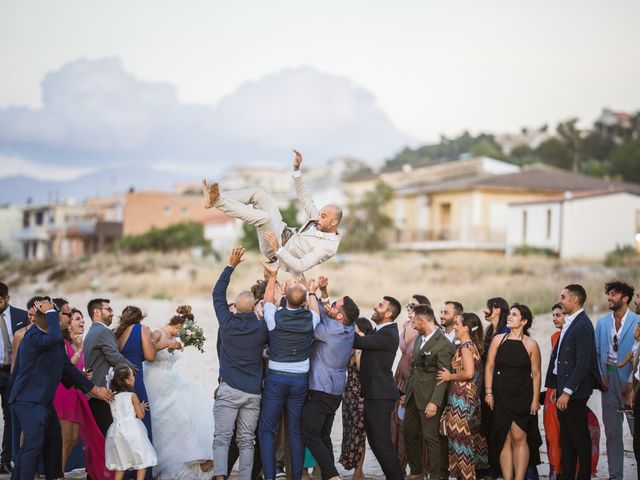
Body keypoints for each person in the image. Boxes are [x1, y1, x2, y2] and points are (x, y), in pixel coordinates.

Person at [9, 297, 112, 480]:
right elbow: (54, 337)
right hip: (28, 401)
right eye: (66, 315)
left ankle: (54, 477)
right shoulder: (34, 336)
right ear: (54, 319)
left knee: (54, 443)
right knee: (33, 446)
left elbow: (67, 369)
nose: (70, 317)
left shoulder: (52, 341)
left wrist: (94, 389)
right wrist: (49, 313)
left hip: (44, 402)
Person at [202, 150, 342, 276]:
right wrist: (296, 169)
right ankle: (214, 199)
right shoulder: (318, 219)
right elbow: (305, 197)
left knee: (264, 218)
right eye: (320, 214)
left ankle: (217, 201)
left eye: (323, 216)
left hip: (276, 249)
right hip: (282, 230)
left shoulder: (328, 247)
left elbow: (301, 266)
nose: (318, 217)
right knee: (259, 194)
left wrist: (278, 249)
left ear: (333, 222)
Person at [258, 266, 320, 480]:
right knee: (295, 431)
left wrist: (273, 277)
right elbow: (314, 307)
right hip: (299, 381)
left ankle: (270, 476)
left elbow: (267, 302)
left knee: (267, 430)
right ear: (303, 301)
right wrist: (310, 289)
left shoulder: (275, 316)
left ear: (285, 297)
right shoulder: (311, 319)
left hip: (276, 378)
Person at [212, 247, 269, 480]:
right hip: (253, 393)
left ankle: (220, 476)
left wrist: (231, 265)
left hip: (229, 390)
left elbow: (217, 294)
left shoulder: (226, 322)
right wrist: (271, 280)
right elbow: (272, 307)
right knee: (247, 440)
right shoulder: (262, 327)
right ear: (254, 307)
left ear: (235, 306)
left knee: (222, 438)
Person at [144, 305, 214, 479]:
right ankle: (164, 459)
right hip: (155, 380)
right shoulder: (158, 333)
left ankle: (194, 454)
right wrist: (167, 344)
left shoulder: (174, 337)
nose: (180, 333)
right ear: (176, 324)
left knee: (190, 402)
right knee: (167, 419)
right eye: (181, 330)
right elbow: (148, 351)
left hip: (169, 379)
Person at [302, 276, 359, 480]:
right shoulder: (349, 327)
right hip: (335, 391)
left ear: (340, 316)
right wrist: (323, 293)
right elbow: (326, 311)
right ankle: (329, 475)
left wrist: (310, 292)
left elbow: (315, 318)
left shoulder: (329, 330)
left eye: (335, 305)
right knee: (323, 435)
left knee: (308, 432)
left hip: (321, 389)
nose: (331, 305)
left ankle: (333, 476)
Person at [545, 285, 603, 480]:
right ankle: (567, 475)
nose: (560, 299)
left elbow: (583, 363)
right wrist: (555, 385)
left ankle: (583, 477)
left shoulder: (583, 324)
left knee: (580, 439)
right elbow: (560, 359)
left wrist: (567, 391)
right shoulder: (571, 322)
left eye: (563, 296)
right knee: (567, 439)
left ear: (574, 299)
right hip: (564, 389)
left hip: (575, 393)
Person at [53, 307, 112, 479]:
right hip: (63, 393)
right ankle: (58, 475)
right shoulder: (63, 344)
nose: (82, 322)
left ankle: (60, 471)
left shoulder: (78, 342)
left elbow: (76, 371)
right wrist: (79, 351)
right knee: (64, 440)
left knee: (72, 441)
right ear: (68, 324)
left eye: (82, 319)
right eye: (77, 319)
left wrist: (84, 375)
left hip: (76, 394)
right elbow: (64, 368)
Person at [485, 304, 542, 480]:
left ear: (524, 321)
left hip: (522, 396)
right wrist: (488, 392)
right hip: (500, 394)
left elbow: (537, 374)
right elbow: (489, 366)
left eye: (514, 315)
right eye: (510, 314)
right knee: (504, 438)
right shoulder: (498, 340)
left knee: (519, 437)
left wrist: (535, 400)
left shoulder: (531, 344)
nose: (509, 317)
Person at [353, 296, 404, 480]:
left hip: (380, 395)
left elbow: (358, 342)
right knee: (376, 443)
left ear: (389, 313)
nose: (375, 306)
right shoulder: (380, 331)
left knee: (382, 443)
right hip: (374, 394)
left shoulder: (388, 334)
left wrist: (343, 321)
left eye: (380, 305)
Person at [404, 304, 455, 480]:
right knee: (409, 433)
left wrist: (435, 402)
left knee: (431, 439)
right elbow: (414, 367)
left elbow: (443, 377)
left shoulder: (443, 345)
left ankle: (437, 476)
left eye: (415, 323)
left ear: (422, 321)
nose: (413, 325)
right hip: (412, 396)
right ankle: (417, 472)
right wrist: (406, 391)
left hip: (430, 398)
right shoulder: (420, 337)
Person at [594, 280, 638, 480]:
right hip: (608, 380)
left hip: (632, 381)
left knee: (636, 431)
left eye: (613, 294)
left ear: (625, 298)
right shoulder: (602, 323)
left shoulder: (638, 321)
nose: (609, 298)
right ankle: (615, 475)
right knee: (612, 432)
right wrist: (600, 373)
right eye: (608, 294)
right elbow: (596, 351)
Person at [436, 312, 488, 480]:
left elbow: (469, 373)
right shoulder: (471, 345)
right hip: (468, 399)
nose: (455, 326)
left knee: (461, 443)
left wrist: (449, 376)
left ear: (466, 327)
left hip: (462, 401)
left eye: (458, 323)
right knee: (463, 441)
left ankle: (467, 477)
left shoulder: (466, 347)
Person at [84, 298, 135, 435]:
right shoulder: (103, 332)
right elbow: (114, 356)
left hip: (94, 391)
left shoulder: (91, 332)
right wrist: (132, 369)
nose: (112, 313)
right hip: (104, 392)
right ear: (96, 312)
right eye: (108, 310)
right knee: (112, 436)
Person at [391, 295, 428, 469]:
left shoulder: (425, 331)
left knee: (410, 423)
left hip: (414, 376)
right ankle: (398, 465)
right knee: (396, 420)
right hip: (400, 372)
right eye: (408, 304)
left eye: (413, 305)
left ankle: (416, 467)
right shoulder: (405, 325)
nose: (409, 308)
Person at [105, 365, 158, 479]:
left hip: (116, 432)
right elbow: (140, 415)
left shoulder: (112, 398)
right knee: (142, 461)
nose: (134, 377)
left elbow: (117, 414)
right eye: (132, 376)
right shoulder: (132, 396)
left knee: (121, 464)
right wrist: (141, 407)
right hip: (132, 432)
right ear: (127, 381)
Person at [115, 306, 155, 445]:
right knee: (142, 416)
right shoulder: (140, 328)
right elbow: (150, 356)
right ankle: (143, 461)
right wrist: (152, 341)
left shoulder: (117, 333)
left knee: (125, 418)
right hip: (134, 378)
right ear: (139, 318)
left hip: (119, 381)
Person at [339, 317, 373, 480]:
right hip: (348, 396)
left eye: (356, 329)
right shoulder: (349, 347)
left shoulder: (364, 350)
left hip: (361, 396)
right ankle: (357, 470)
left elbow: (362, 371)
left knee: (360, 434)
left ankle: (358, 472)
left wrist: (359, 349)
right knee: (351, 432)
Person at [0, 281, 28, 472]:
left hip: (12, 372)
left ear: (7, 298)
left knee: (11, 415)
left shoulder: (22, 316)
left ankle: (5, 459)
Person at [542, 303, 564, 480]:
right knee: (552, 434)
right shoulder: (554, 337)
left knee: (564, 434)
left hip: (564, 391)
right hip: (551, 391)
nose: (555, 318)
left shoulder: (572, 335)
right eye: (553, 315)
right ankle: (554, 471)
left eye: (558, 315)